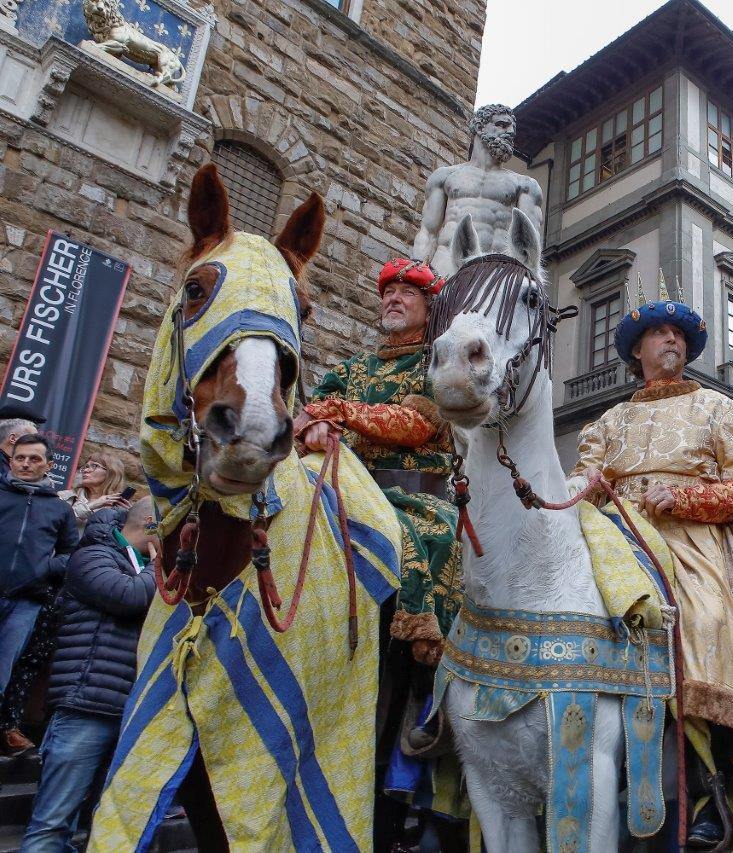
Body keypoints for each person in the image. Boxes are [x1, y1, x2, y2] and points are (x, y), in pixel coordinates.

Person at [572, 273, 733, 850]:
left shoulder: (719, 409)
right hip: (614, 533)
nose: (672, 340)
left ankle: (711, 784)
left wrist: (684, 498)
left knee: (706, 620)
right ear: (637, 350)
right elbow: (584, 478)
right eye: (659, 333)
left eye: (679, 334)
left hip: (688, 538)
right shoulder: (607, 423)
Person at [293, 258, 463, 848]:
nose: (393, 298)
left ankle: (420, 669)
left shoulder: (437, 363)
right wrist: (311, 428)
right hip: (341, 489)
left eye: (407, 292)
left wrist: (337, 417)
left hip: (410, 497)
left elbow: (414, 425)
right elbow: (308, 411)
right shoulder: (349, 368)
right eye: (387, 290)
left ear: (428, 307)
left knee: (421, 542)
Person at [20, 501, 159, 852]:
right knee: (52, 823)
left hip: (131, 710)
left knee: (110, 828)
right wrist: (162, 567)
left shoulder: (145, 568)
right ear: (151, 523)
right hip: (86, 704)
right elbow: (128, 596)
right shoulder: (93, 555)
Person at [0, 435, 78, 753]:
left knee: (3, 671)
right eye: (20, 458)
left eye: (34, 459)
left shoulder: (59, 509)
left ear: (48, 465)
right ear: (11, 461)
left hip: (25, 603)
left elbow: (71, 553)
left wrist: (45, 568)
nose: (26, 464)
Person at [411, 105, 544, 277]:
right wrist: (415, 274)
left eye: (512, 128)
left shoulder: (525, 185)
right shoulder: (445, 176)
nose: (510, 132)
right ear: (480, 127)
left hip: (495, 274)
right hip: (445, 268)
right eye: (502, 125)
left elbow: (530, 247)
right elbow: (428, 232)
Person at [60, 452, 130, 532]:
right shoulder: (65, 496)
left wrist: (129, 518)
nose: (86, 470)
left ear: (111, 473)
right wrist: (93, 505)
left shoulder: (118, 507)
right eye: (86, 466)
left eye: (94, 466)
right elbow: (54, 521)